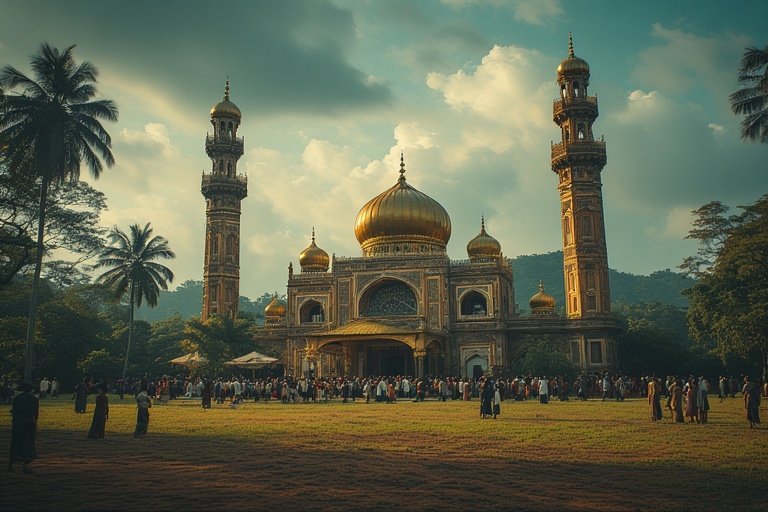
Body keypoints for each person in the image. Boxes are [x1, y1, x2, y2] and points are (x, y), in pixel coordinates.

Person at [8, 382, 39, 473]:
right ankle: (25, 465)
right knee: (27, 443)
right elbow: (35, 413)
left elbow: (14, 411)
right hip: (29, 422)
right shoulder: (34, 399)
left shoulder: (17, 398)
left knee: (16, 442)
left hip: (17, 422)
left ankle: (11, 464)